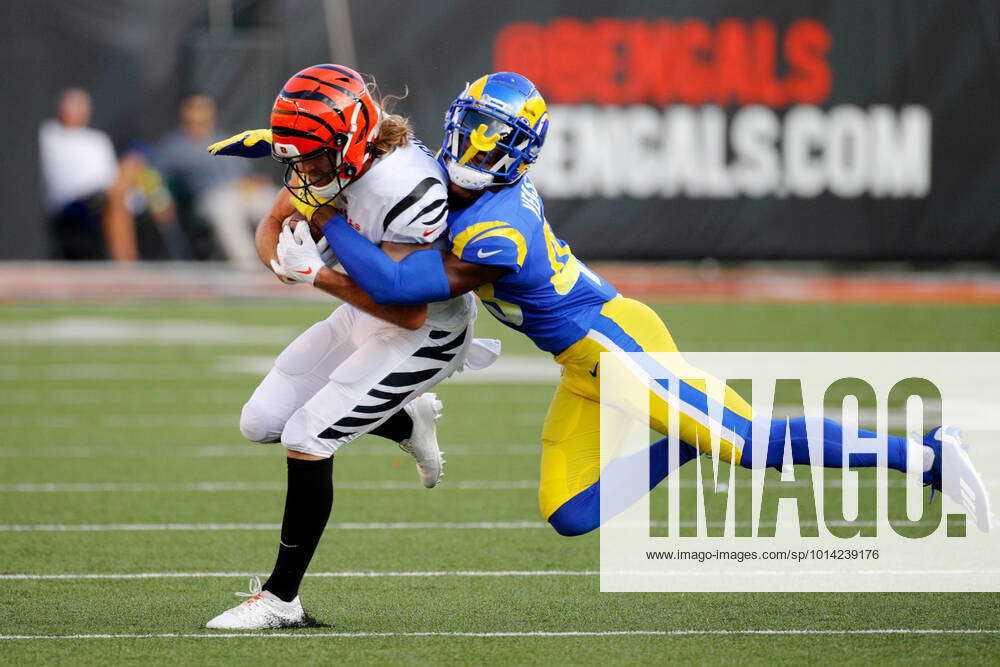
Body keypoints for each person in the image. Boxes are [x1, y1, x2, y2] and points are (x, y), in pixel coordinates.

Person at [303, 72, 992, 538]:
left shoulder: (497, 226)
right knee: (570, 513)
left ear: (518, 151)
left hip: (612, 344)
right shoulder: (463, 190)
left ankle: (928, 454)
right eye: (470, 125)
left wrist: (325, 217)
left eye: (492, 134)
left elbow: (396, 287)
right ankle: (693, 439)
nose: (473, 144)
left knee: (751, 445)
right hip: (582, 362)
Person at [202, 64, 497, 630]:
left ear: (353, 138)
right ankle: (404, 422)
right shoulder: (327, 153)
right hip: (362, 310)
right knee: (259, 422)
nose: (305, 171)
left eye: (313, 158)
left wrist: (317, 274)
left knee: (307, 435)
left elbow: (406, 306)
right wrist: (283, 264)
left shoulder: (408, 186)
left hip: (425, 332)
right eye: (298, 159)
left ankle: (281, 599)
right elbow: (273, 222)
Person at [155, 95, 276, 266]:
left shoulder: (224, 137)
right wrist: (160, 199)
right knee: (225, 209)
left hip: (242, 191)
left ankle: (286, 263)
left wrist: (255, 181)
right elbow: (155, 174)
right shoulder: (175, 146)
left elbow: (245, 172)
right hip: (210, 196)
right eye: (195, 109)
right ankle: (250, 268)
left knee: (277, 200)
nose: (200, 116)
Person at [39, 87, 138, 261]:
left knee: (131, 171)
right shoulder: (49, 135)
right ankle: (126, 263)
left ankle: (133, 260)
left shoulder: (98, 139)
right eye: (73, 106)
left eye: (81, 106)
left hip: (106, 194)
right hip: (73, 203)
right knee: (114, 197)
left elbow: (110, 177)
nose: (78, 111)